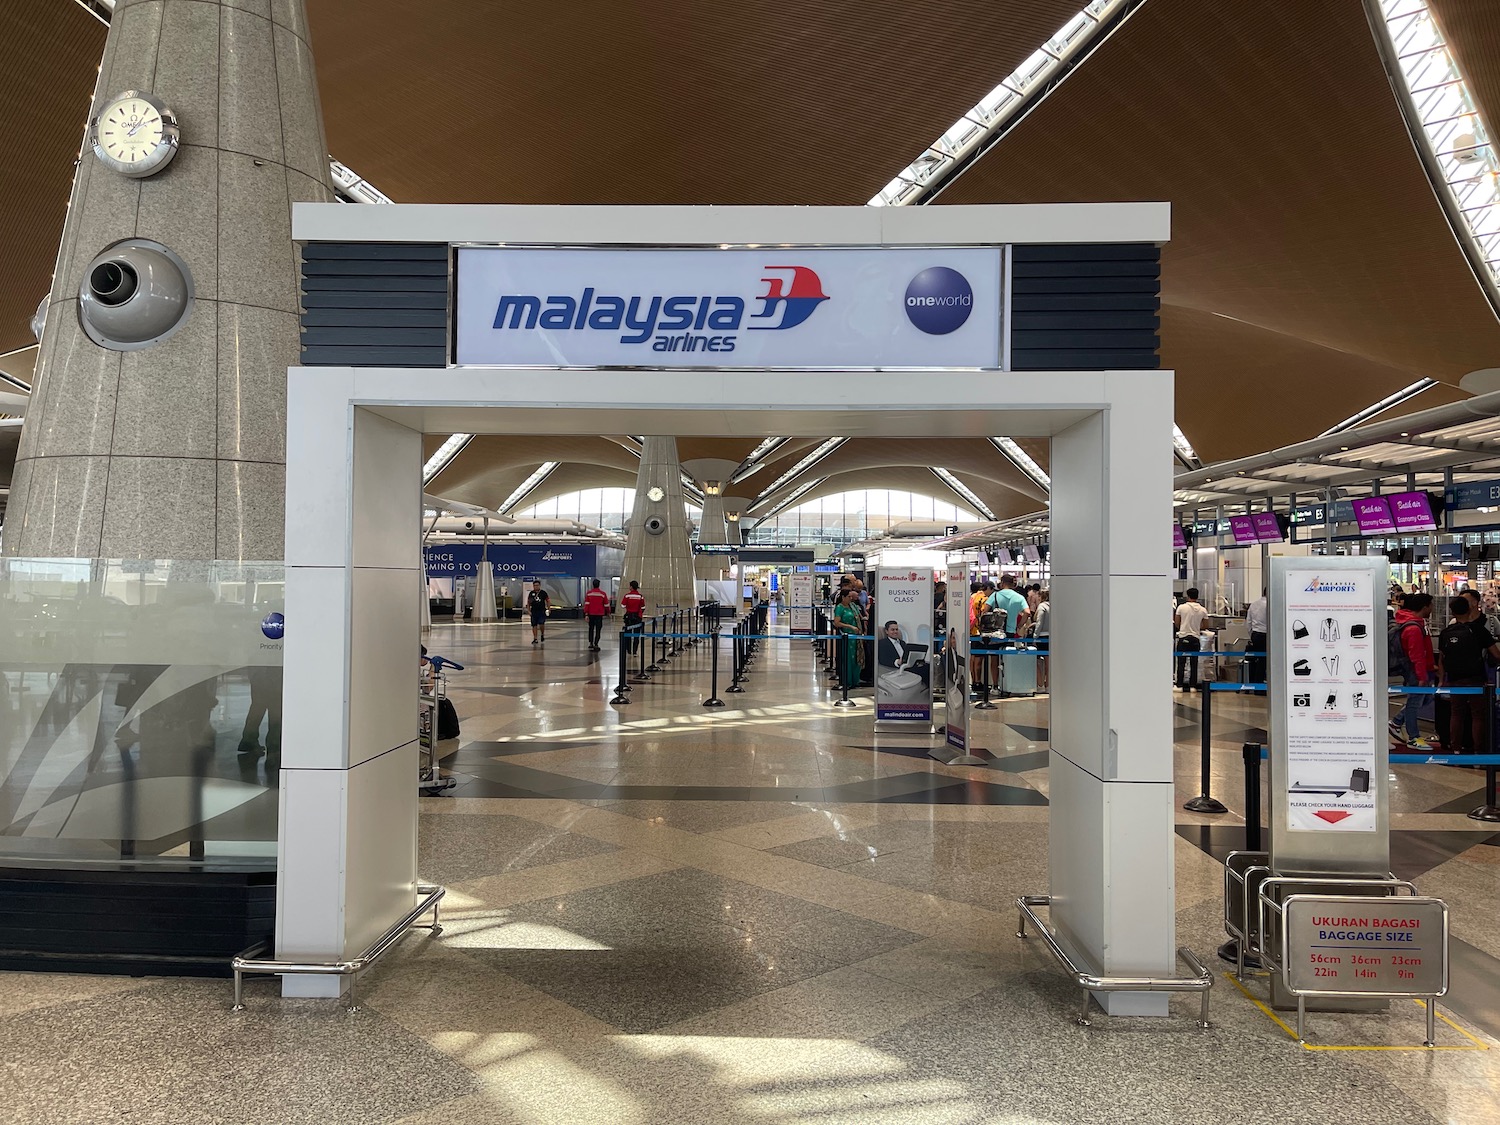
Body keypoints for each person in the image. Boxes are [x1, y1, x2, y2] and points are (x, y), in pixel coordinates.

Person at [1440, 594, 1500, 755]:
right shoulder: (1478, 629)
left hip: (1454, 678)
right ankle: (1478, 751)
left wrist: (1441, 680)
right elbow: (1496, 654)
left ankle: (1456, 750)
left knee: (1456, 714)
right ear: (1469, 609)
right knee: (1478, 715)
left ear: (1452, 612)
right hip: (1476, 677)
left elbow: (1442, 659)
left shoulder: (1446, 632)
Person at [1389, 593, 1434, 749]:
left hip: (1420, 670)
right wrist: (1422, 676)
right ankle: (1413, 737)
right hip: (1416, 671)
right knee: (1415, 702)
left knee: (1424, 699)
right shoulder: (1413, 628)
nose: (1432, 608)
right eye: (1431, 605)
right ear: (1424, 607)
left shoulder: (1416, 623)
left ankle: (1396, 722)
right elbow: (1416, 655)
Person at [1174, 587, 1208, 691]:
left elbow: (1177, 622)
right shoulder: (1203, 609)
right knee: (1194, 663)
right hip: (1195, 639)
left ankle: (1179, 685)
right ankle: (1193, 686)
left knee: (1181, 662)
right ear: (1197, 596)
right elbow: (1206, 625)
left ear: (1187, 596)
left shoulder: (1181, 607)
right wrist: (1196, 628)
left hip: (1183, 637)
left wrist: (1184, 628)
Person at [877, 620, 930, 685]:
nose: (895, 632)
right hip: (899, 667)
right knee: (924, 670)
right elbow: (883, 659)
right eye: (892, 630)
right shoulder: (882, 643)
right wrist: (897, 662)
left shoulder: (902, 643)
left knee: (928, 666)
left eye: (896, 629)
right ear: (886, 631)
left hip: (908, 664)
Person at [833, 587, 863, 689]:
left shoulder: (852, 606)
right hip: (847, 638)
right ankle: (848, 681)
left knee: (857, 659)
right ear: (843, 597)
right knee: (848, 660)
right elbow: (836, 623)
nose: (851, 598)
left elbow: (859, 617)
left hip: (856, 638)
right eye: (849, 597)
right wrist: (850, 627)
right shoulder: (840, 608)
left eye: (851, 596)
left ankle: (856, 680)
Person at [1246, 588, 1269, 688]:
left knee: (1259, 660)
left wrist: (1251, 634)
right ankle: (1260, 687)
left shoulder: (1254, 604)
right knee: (1264, 662)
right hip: (1267, 635)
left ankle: (1255, 684)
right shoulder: (1270, 605)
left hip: (1256, 634)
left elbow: (1248, 622)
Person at [583, 578, 611, 651]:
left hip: (591, 614)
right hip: (599, 614)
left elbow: (587, 604)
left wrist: (586, 614)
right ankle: (596, 643)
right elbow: (606, 605)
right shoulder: (602, 594)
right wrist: (608, 612)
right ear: (599, 585)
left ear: (593, 585)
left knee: (591, 628)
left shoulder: (589, 593)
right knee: (598, 629)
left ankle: (591, 643)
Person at [620, 579, 646, 655]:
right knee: (636, 634)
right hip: (637, 617)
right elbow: (643, 607)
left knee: (628, 633)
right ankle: (635, 651)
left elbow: (623, 605)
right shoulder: (640, 596)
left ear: (631, 587)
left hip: (629, 616)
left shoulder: (627, 596)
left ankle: (628, 650)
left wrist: (628, 607)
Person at [1033, 588, 1050, 692]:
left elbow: (1039, 623)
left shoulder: (1042, 606)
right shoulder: (1053, 606)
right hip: (1051, 637)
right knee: (1049, 664)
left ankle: (1040, 684)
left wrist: (1035, 637)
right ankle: (1048, 685)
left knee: (1036, 661)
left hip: (1041, 637)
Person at [526, 580, 551, 645]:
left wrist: (549, 608)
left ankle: (542, 634)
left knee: (541, 623)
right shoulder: (531, 593)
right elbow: (528, 602)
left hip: (541, 611)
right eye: (534, 585)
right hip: (534, 611)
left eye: (537, 585)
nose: (536, 587)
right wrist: (528, 610)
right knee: (534, 625)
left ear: (539, 586)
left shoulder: (543, 593)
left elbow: (548, 600)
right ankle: (535, 638)